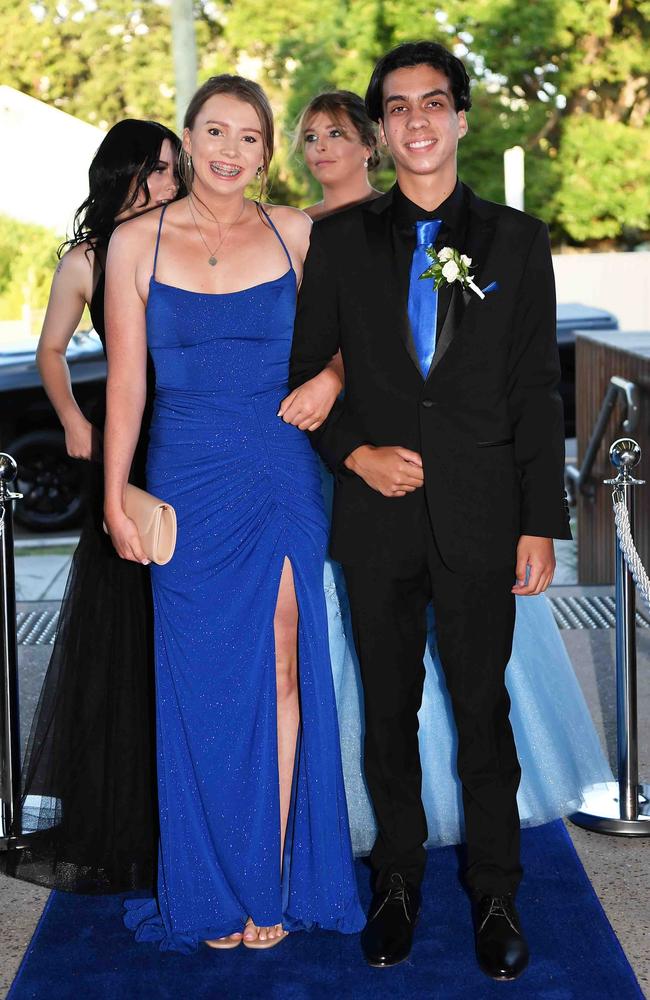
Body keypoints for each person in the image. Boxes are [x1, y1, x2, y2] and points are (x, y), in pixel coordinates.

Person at [289, 42, 573, 980]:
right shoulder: (338, 241)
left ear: (458, 119)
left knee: (484, 714)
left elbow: (536, 389)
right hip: (375, 518)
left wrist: (542, 522)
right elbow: (308, 374)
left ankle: (497, 893)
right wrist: (354, 455)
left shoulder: (519, 241)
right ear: (381, 129)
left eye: (433, 103)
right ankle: (398, 884)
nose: (416, 121)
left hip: (486, 516)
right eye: (398, 107)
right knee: (388, 715)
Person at [103, 74, 364, 954]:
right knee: (204, 686)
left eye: (249, 137)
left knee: (288, 669)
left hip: (283, 470)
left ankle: (276, 882)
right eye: (214, 132)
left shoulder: (295, 232)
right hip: (187, 481)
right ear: (186, 140)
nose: (230, 151)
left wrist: (328, 379)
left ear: (265, 152)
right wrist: (112, 497)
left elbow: (349, 343)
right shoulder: (135, 243)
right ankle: (216, 881)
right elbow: (128, 387)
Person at [7, 120, 181, 894]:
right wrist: (75, 421)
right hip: (123, 445)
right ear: (122, 174)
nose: (169, 182)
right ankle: (125, 822)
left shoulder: (189, 237)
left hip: (193, 441)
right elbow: (51, 350)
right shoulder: (86, 258)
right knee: (122, 633)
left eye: (174, 168)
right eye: (156, 169)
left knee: (187, 626)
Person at [294, 90, 382, 219]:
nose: (319, 146)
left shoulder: (401, 216)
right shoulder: (296, 228)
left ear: (368, 146)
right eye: (311, 137)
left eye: (335, 133)